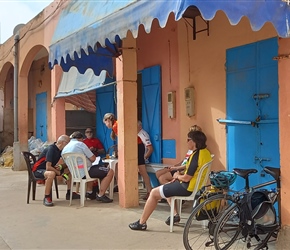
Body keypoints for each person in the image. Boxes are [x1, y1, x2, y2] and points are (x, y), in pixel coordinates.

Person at [129, 130, 212, 230]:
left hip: (187, 187)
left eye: (188, 140)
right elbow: (191, 169)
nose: (186, 142)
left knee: (154, 193)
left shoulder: (196, 155)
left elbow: (186, 178)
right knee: (165, 184)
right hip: (194, 186)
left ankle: (142, 223)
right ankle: (174, 213)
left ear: (194, 141)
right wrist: (177, 171)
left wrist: (177, 176)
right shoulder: (205, 153)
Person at [62, 131, 114, 203]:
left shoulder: (65, 148)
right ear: (81, 139)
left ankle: (89, 192)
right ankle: (101, 195)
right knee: (110, 171)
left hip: (75, 174)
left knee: (94, 169)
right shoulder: (80, 144)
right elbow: (93, 158)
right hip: (85, 172)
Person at [32, 135, 80, 207]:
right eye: (68, 143)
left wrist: (61, 166)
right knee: (51, 174)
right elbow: (48, 167)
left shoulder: (60, 150)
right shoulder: (51, 149)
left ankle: (69, 193)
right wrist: (60, 173)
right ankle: (47, 197)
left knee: (69, 169)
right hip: (38, 170)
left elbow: (67, 163)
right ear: (63, 143)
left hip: (49, 168)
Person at [137, 121, 153, 200]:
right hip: (139, 158)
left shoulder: (142, 134)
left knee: (144, 174)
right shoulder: (138, 134)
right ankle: (148, 191)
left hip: (142, 159)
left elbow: (150, 148)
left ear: (139, 126)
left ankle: (149, 191)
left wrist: (144, 158)